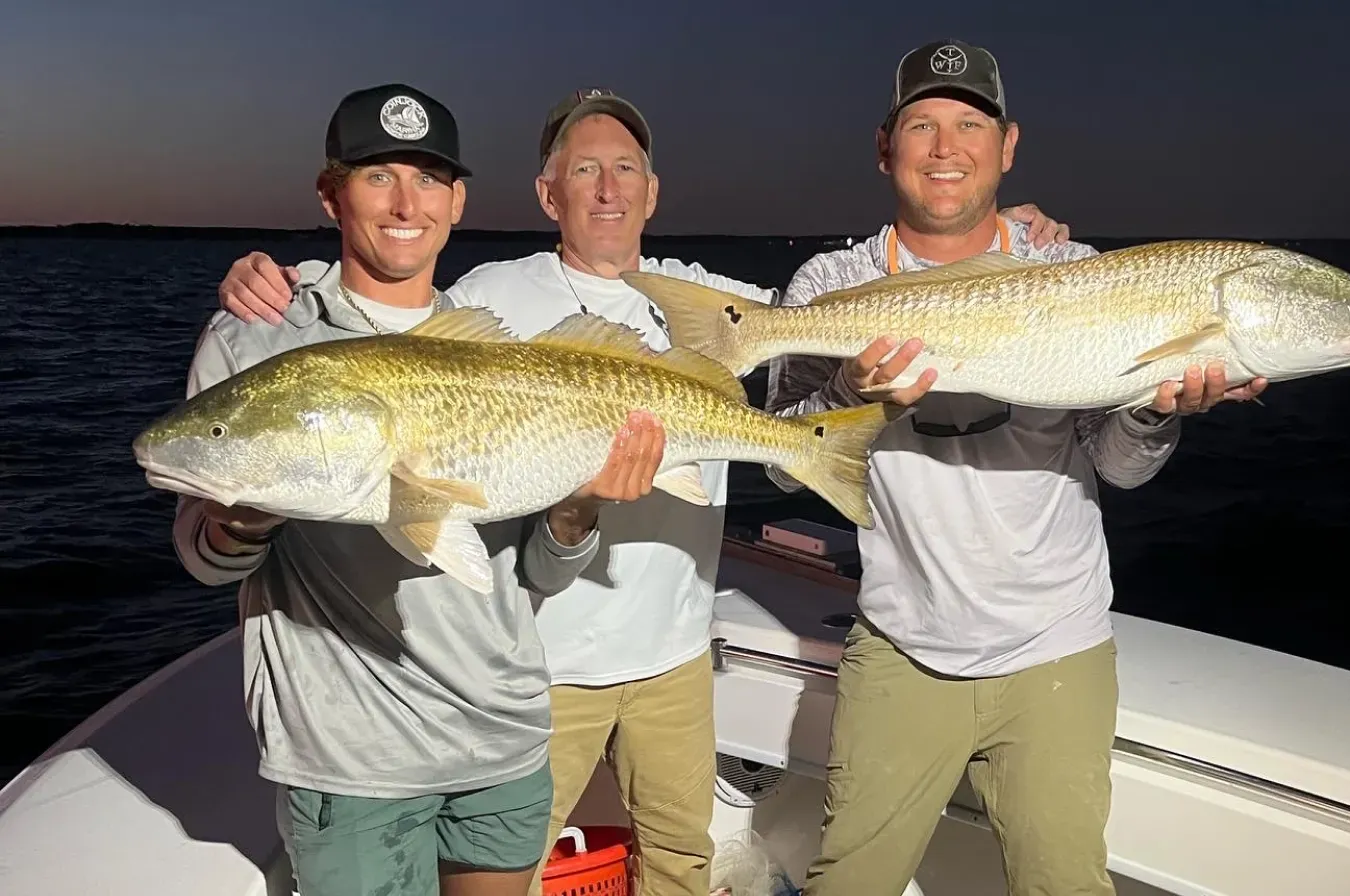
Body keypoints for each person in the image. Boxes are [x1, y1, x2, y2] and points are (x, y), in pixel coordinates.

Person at [211, 88, 1072, 896]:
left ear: (654, 192)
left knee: (681, 856)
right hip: (548, 666)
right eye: (583, 169)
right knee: (519, 860)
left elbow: (846, 306)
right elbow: (396, 327)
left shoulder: (720, 301)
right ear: (548, 194)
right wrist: (285, 281)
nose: (607, 187)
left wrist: (1003, 242)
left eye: (625, 168)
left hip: (677, 656)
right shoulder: (488, 293)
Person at [764, 40, 1268, 896]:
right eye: (921, 124)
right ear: (886, 147)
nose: (945, 146)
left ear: (1008, 146)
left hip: (1056, 651)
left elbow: (1120, 470)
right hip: (901, 645)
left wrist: (1151, 410)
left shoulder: (1073, 273)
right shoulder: (831, 283)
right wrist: (850, 390)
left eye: (970, 123)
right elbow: (781, 467)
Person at [169, 82, 669, 896]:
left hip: (504, 736)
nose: (407, 203)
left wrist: (581, 506)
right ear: (331, 191)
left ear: (458, 200)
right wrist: (247, 514)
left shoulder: (484, 333)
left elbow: (536, 576)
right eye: (376, 175)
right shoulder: (262, 331)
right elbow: (204, 558)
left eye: (429, 178)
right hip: (353, 761)